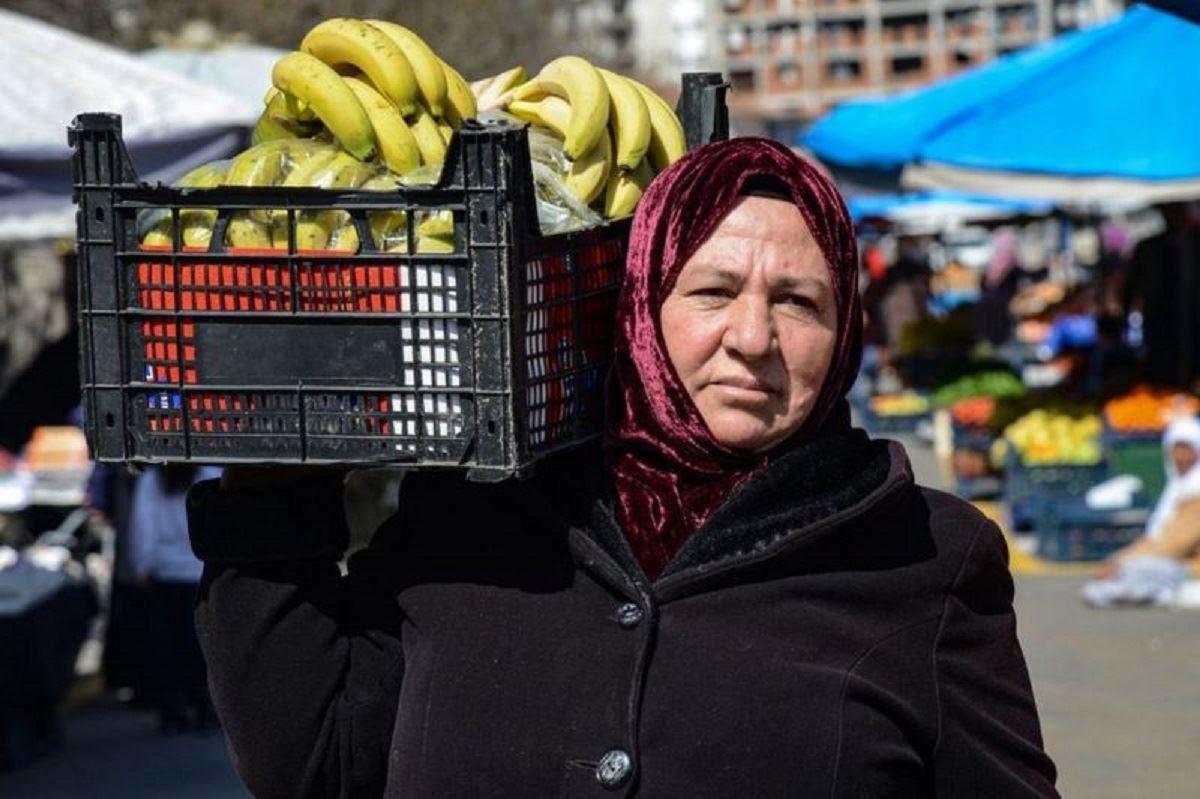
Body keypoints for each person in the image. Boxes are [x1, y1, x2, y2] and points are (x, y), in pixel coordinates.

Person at [187, 138, 1057, 797]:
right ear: (641, 305)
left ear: (844, 335)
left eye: (798, 301)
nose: (753, 337)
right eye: (714, 291)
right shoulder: (477, 510)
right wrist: (269, 488)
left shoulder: (924, 555)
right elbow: (316, 763)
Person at [129, 464, 220, 733]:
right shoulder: (210, 476)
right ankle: (205, 706)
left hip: (165, 573)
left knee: (168, 645)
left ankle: (173, 710)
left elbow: (143, 526)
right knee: (202, 646)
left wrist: (142, 565)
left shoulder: (151, 481)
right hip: (200, 572)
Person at [1083, 416, 1200, 608]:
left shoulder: (1196, 493)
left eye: (1187, 449)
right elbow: (1154, 538)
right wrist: (1116, 560)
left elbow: (1173, 545)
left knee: (1140, 569)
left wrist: (1121, 564)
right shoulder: (1177, 488)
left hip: (1190, 568)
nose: (1180, 457)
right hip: (1172, 561)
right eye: (1176, 449)